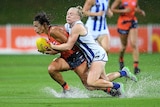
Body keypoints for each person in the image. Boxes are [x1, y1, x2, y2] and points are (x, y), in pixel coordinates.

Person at [49, 6, 138, 97]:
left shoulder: (77, 26)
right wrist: (55, 51)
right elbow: (65, 42)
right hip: (92, 57)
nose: (68, 16)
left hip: (97, 55)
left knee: (91, 82)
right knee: (104, 80)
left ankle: (117, 86)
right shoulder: (68, 26)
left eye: (71, 14)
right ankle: (124, 72)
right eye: (67, 13)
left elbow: (68, 46)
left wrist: (52, 46)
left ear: (78, 17)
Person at [111, 0, 145, 74]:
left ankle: (136, 67)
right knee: (124, 46)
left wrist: (139, 11)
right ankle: (121, 59)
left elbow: (135, 7)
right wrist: (124, 10)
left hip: (132, 21)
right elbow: (112, 9)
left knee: (134, 44)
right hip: (123, 23)